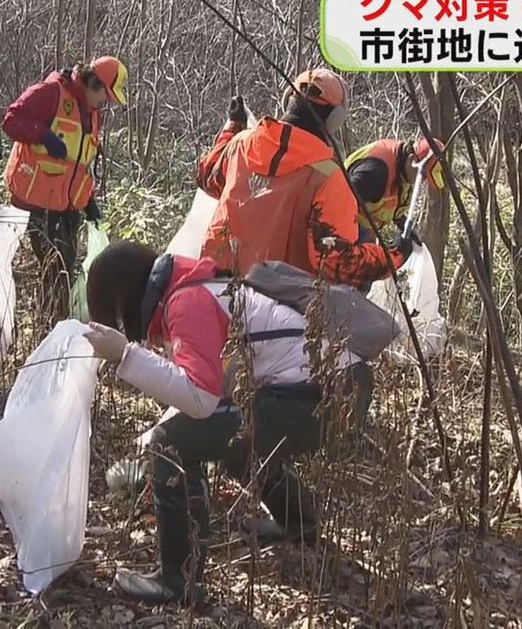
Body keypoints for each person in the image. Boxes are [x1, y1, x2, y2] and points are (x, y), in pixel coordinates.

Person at [82, 241, 370, 605]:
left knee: (170, 444)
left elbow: (200, 400)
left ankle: (178, 580)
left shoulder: (186, 302)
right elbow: (219, 391)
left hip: (324, 398)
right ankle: (299, 523)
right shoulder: (199, 287)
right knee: (226, 439)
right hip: (340, 388)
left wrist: (126, 354)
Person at [195, 68, 416, 286]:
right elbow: (334, 262)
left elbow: (208, 178)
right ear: (335, 119)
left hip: (211, 289)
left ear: (287, 100)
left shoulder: (241, 144)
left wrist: (232, 127)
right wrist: (393, 256)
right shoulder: (329, 179)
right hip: (275, 305)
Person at [1, 56, 127, 321]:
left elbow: (79, 164)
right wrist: (43, 135)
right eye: (106, 96)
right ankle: (51, 328)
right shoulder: (50, 93)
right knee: (56, 269)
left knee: (65, 266)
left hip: (67, 204)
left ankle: (56, 323)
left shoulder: (92, 115)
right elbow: (10, 121)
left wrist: (89, 202)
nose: (105, 103)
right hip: (38, 201)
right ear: (93, 83)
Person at [345, 136, 446, 238]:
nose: (423, 181)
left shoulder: (404, 168)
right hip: (344, 226)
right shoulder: (375, 174)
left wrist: (406, 229)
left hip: (365, 228)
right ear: (413, 160)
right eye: (423, 175)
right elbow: (340, 200)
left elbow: (393, 204)